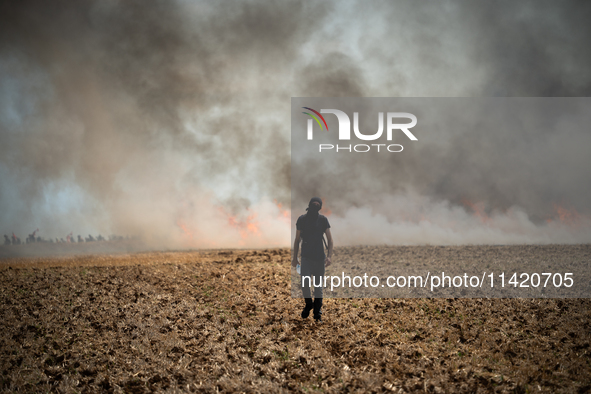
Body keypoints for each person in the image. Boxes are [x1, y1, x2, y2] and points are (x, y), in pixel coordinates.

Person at [292, 197, 333, 323]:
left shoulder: (323, 220)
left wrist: (329, 256)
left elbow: (330, 240)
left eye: (318, 204)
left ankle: (317, 314)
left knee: (318, 288)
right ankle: (309, 304)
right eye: (313, 204)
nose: (315, 206)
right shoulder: (302, 219)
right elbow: (297, 240)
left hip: (319, 258)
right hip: (306, 258)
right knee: (304, 285)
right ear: (309, 205)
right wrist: (295, 257)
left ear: (320, 207)